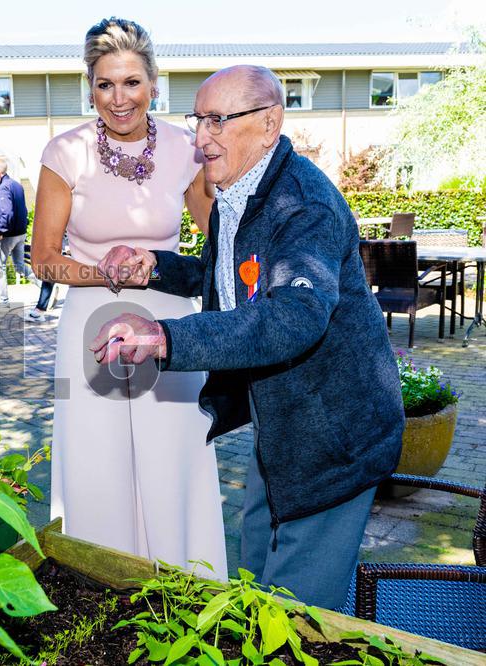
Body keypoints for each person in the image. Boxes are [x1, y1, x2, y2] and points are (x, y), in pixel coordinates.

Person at [90, 65, 404, 609]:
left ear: (269, 123)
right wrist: (157, 267)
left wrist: (167, 337)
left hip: (333, 435)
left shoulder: (303, 204)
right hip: (280, 424)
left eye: (217, 120)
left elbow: (293, 316)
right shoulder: (241, 191)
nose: (200, 139)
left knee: (296, 614)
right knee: (254, 578)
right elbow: (232, 280)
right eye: (198, 120)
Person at [30, 17, 225, 577]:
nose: (120, 99)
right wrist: (109, 275)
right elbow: (43, 257)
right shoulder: (64, 153)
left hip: (170, 324)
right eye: (105, 84)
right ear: (90, 88)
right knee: (98, 458)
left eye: (132, 83)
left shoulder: (189, 149)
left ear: (154, 84)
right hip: (93, 324)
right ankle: (102, 580)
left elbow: (220, 239)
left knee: (173, 451)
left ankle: (186, 579)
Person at [0, 157, 41, 305]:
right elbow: (23, 210)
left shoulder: (4, 187)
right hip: (20, 233)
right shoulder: (17, 185)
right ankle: (43, 287)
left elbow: (7, 213)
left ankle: (3, 301)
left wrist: (0, 231)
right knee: (19, 265)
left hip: (8, 235)